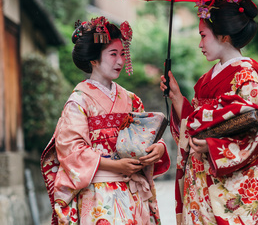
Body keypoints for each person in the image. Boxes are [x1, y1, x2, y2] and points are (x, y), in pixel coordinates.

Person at [160, 0, 258, 225]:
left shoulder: (246, 76)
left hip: (232, 185)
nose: (200, 44)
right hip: (200, 181)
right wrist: (177, 98)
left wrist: (213, 145)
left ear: (223, 36)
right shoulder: (205, 80)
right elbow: (197, 123)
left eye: (203, 35)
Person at [41, 16, 170, 225]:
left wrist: (160, 148)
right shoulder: (79, 101)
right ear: (93, 59)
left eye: (122, 54)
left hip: (132, 192)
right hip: (98, 192)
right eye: (113, 54)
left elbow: (146, 136)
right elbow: (71, 150)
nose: (120, 61)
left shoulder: (130, 99)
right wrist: (116, 165)